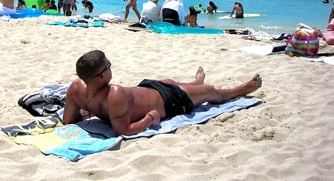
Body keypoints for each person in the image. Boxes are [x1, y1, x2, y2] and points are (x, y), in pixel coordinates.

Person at [63, 50, 262, 136]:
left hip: (146, 88)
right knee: (210, 91)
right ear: (100, 77)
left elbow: (67, 121)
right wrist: (150, 118)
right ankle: (240, 89)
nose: (110, 67)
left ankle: (195, 82)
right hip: (168, 101)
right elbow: (124, 131)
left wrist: (86, 111)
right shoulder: (114, 93)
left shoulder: (76, 88)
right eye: (109, 65)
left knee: (169, 81)